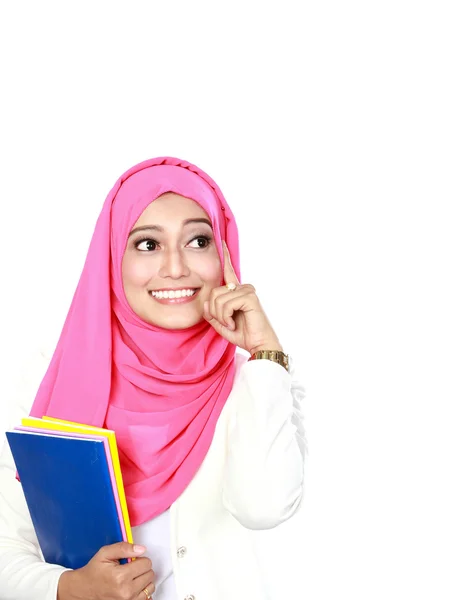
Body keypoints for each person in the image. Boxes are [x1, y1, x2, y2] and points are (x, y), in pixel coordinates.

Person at [0, 156, 307, 600]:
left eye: (198, 240)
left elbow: (263, 508)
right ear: (112, 259)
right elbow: (7, 547)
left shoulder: (258, 378)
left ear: (223, 253)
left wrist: (265, 352)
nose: (176, 268)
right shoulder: (50, 377)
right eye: (147, 245)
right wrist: (67, 588)